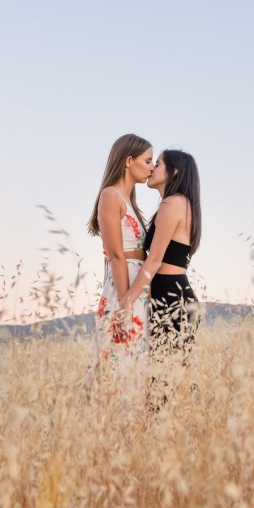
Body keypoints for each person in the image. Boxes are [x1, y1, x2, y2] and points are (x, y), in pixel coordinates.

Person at [119, 149, 201, 359]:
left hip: (170, 296)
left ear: (174, 171)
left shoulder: (172, 203)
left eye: (157, 164)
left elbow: (155, 260)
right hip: (176, 294)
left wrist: (126, 300)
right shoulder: (183, 203)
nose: (152, 168)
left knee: (163, 381)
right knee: (170, 378)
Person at [87, 133, 154, 368]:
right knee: (117, 360)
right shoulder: (110, 195)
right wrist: (125, 304)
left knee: (134, 360)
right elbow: (115, 255)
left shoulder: (129, 201)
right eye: (147, 161)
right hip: (123, 286)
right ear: (128, 161)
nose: (152, 167)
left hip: (136, 286)